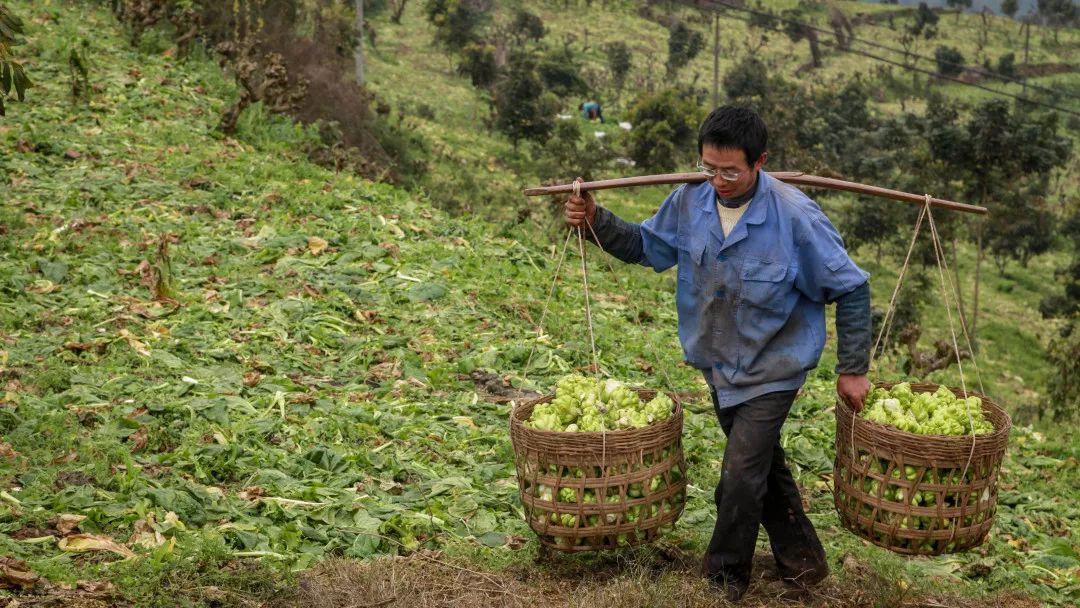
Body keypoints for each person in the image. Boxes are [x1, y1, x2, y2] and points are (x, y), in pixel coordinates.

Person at [563, 106, 872, 602]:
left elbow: (852, 287)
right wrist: (594, 219)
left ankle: (724, 581)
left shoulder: (795, 217)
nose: (720, 181)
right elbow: (646, 247)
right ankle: (805, 564)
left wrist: (853, 369)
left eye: (731, 171)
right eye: (710, 168)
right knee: (762, 467)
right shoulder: (690, 201)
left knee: (740, 476)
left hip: (775, 367)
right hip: (719, 362)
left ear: (759, 162)